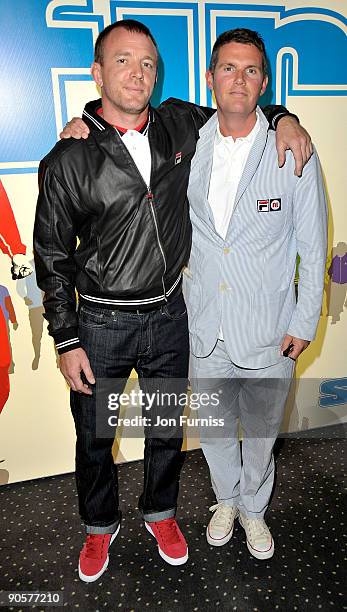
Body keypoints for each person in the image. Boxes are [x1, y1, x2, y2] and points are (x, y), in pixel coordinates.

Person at [34, 19, 312, 582]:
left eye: (146, 64)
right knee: (95, 436)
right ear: (97, 73)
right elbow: (52, 256)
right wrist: (65, 338)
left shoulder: (178, 124)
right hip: (101, 322)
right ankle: (98, 527)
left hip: (169, 314)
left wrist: (287, 117)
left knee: (164, 430)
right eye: (122, 61)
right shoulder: (67, 158)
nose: (136, 73)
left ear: (157, 75)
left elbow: (243, 108)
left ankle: (160, 513)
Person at [184, 28, 327, 560]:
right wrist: (83, 120)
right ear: (210, 78)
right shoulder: (188, 141)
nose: (238, 80)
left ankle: (254, 508)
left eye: (250, 71)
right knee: (215, 428)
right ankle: (226, 498)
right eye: (228, 69)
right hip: (205, 324)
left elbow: (313, 247)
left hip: (269, 326)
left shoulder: (292, 148)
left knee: (263, 431)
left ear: (264, 83)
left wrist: (304, 321)